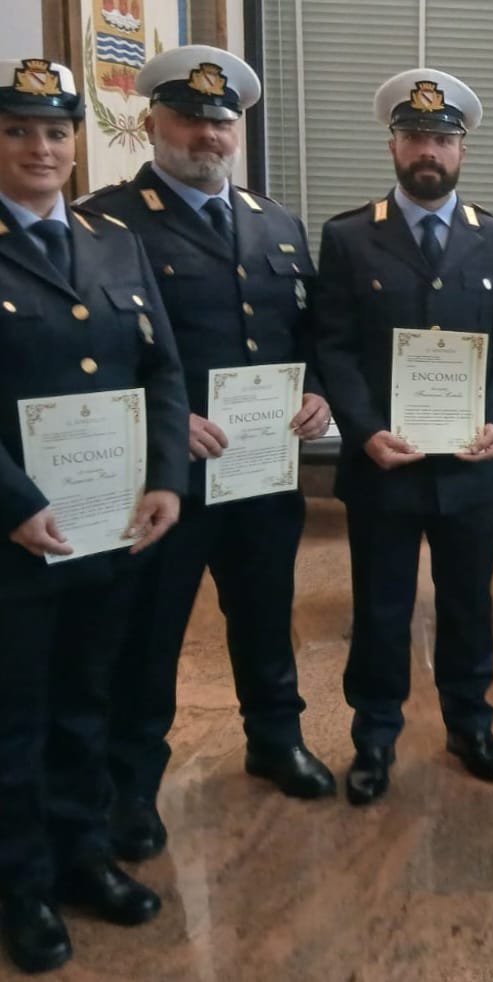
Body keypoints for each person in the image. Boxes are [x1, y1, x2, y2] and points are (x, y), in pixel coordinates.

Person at [80, 45, 335, 865]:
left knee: (265, 611)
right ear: (153, 121)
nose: (207, 135)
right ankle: (131, 785)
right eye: (189, 118)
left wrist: (318, 390)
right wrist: (166, 422)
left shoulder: (275, 222)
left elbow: (308, 331)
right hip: (168, 478)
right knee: (150, 635)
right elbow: (98, 353)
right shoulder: (106, 222)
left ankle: (275, 739)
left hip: (262, 468)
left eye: (221, 121)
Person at [0, 58, 188, 973]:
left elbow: (162, 370)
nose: (40, 148)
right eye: (18, 131)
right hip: (17, 541)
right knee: (16, 719)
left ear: (76, 144)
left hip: (109, 525)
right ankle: (22, 884)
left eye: (55, 132)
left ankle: (83, 856)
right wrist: (14, 502)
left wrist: (166, 478)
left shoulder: (113, 243)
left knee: (86, 703)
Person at [312, 68, 493, 805]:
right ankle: (375, 736)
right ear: (393, 145)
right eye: (415, 136)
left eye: (442, 139)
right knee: (381, 609)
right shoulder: (350, 236)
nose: (428, 151)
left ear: (462, 151)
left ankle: (470, 724)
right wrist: (364, 430)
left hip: (470, 465)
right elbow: (334, 345)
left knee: (469, 606)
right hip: (385, 463)